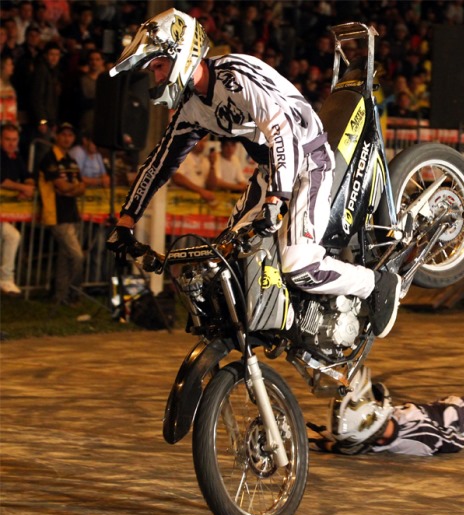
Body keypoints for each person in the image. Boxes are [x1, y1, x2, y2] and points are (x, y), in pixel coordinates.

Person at [105, 9, 401, 338]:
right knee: (227, 257)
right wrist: (126, 222)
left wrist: (276, 199)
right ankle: (288, 321)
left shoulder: (236, 76)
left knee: (298, 264)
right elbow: (160, 162)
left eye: (159, 66)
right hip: (271, 172)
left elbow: (280, 129)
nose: (157, 77)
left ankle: (374, 283)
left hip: (308, 162)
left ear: (182, 53)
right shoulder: (192, 108)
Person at [311, 366, 464, 455]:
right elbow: (450, 442)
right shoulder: (420, 435)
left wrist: (321, 441)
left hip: (435, 408)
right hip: (452, 420)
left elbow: (344, 447)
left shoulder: (368, 441)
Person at [37, 122, 85, 306]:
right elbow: (62, 186)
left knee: (65, 257)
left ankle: (60, 295)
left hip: (72, 213)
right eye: (63, 134)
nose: (67, 138)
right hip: (56, 215)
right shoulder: (49, 158)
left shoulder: (71, 160)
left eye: (70, 135)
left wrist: (70, 189)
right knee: (77, 256)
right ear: (57, 136)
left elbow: (81, 188)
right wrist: (72, 188)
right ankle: (74, 292)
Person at [0, 124, 34, 295]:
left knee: (12, 236)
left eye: (14, 140)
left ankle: (6, 279)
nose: (11, 143)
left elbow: (28, 176)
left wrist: (27, 187)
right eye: (7, 139)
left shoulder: (16, 157)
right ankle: (6, 278)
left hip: (3, 214)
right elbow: (2, 180)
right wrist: (22, 187)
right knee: (12, 236)